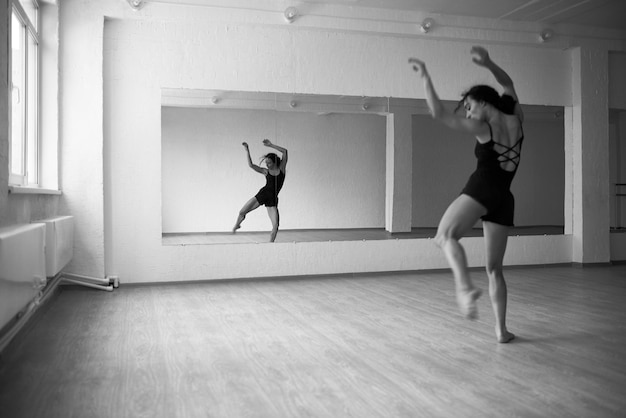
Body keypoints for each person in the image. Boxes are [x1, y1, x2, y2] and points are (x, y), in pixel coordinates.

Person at [408, 46, 524, 343]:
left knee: (444, 237)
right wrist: (488, 63)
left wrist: (425, 77)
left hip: (482, 187)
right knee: (494, 268)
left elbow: (439, 114)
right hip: (504, 197)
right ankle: (501, 330)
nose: (469, 112)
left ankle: (464, 288)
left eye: (470, 106)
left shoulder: (484, 127)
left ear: (483, 103)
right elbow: (508, 85)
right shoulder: (516, 117)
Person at [233, 139, 288, 242]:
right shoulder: (266, 171)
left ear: (275, 162)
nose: (267, 165)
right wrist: (247, 150)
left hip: (272, 200)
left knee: (275, 225)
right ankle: (237, 225)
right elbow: (251, 165)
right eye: (266, 163)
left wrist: (271, 145)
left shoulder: (282, 169)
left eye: (269, 163)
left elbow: (285, 152)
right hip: (263, 194)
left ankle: (270, 244)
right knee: (242, 212)